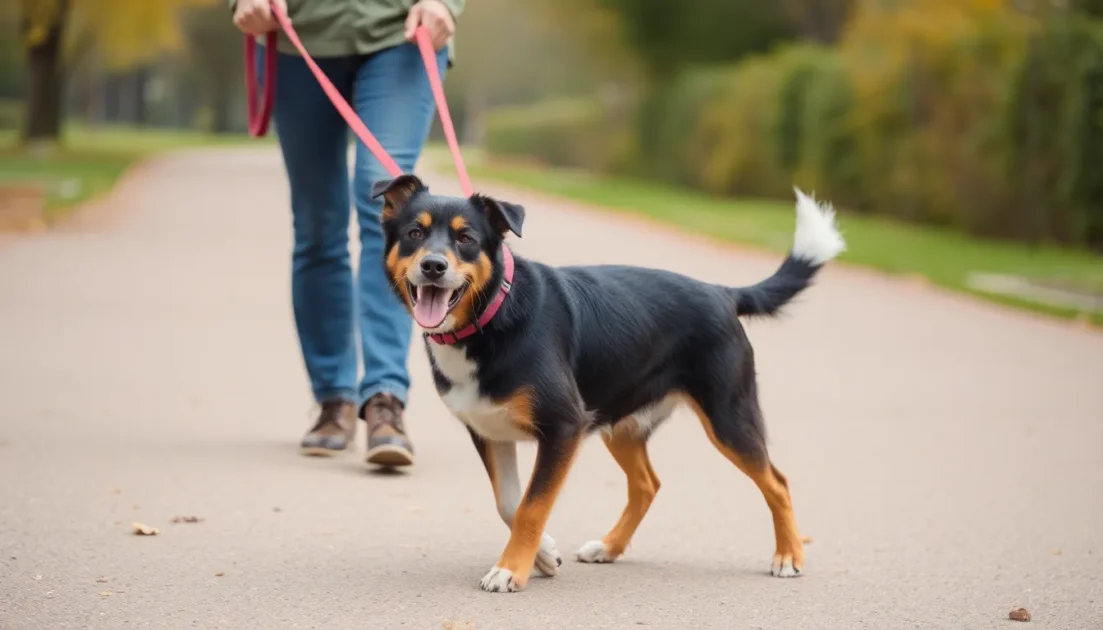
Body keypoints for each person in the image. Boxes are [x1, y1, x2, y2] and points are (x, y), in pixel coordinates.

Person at [230, 0, 464, 468]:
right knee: (318, 224)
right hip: (296, 33)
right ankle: (333, 398)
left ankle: (384, 398)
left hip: (399, 31)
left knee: (388, 208)